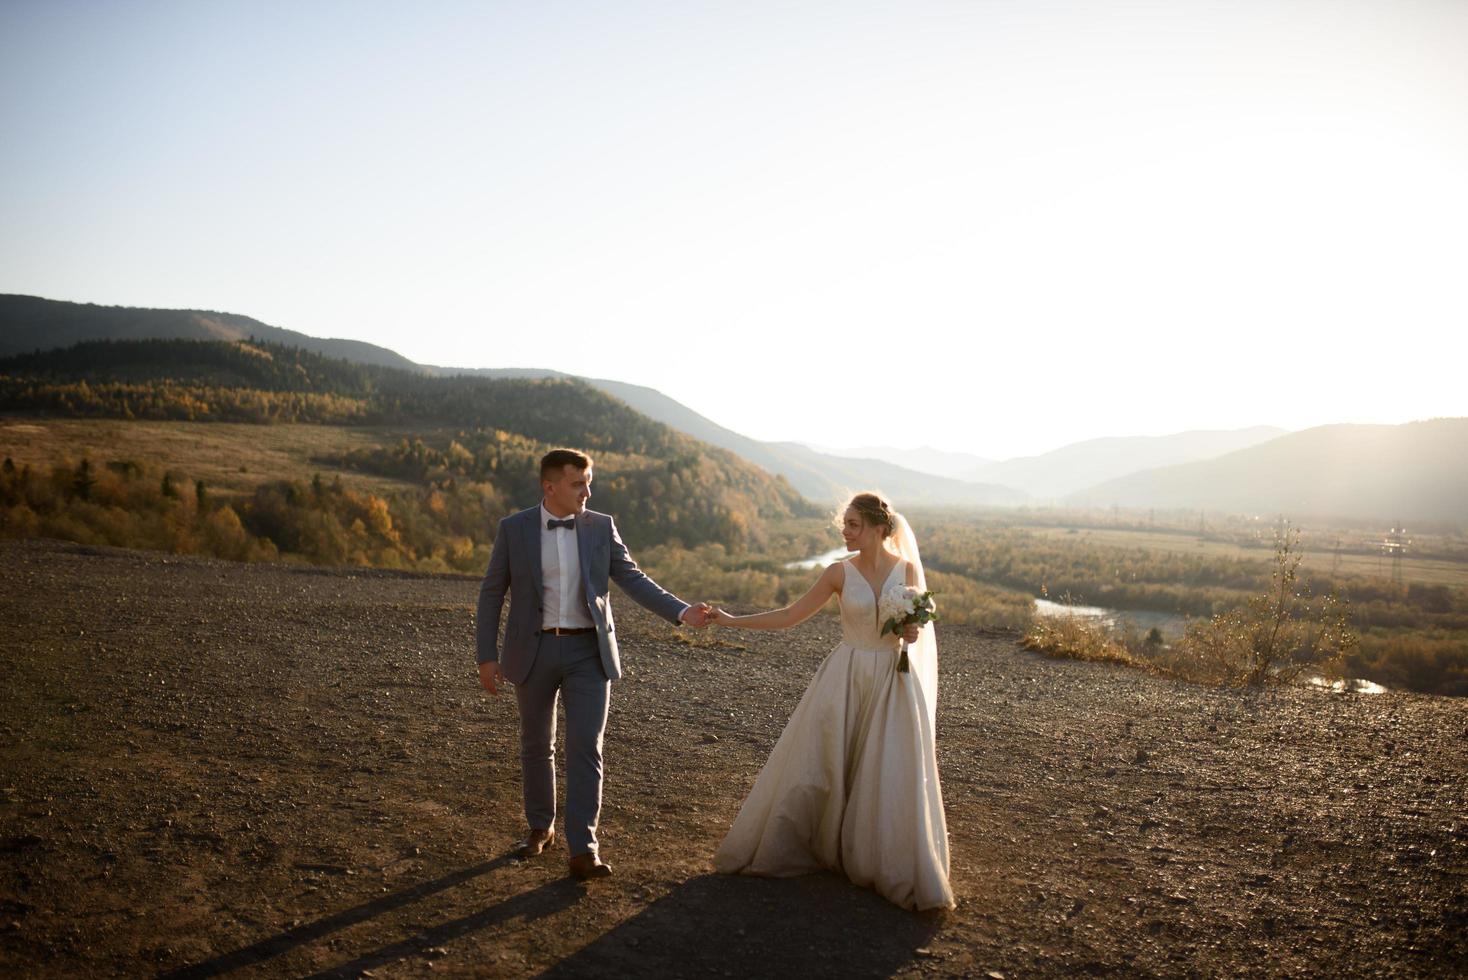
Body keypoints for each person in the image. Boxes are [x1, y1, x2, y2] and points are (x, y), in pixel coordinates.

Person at [476, 448, 714, 880]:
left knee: (587, 747)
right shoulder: (514, 529)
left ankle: (583, 847)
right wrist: (486, 656)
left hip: (590, 653)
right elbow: (492, 592)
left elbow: (633, 578)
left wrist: (682, 612)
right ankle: (540, 828)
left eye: (589, 482)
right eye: (578, 483)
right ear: (550, 487)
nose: (588, 491)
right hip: (532, 651)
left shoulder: (602, 527)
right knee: (536, 744)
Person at [709, 491, 954, 910]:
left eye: (854, 524)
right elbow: (789, 616)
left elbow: (914, 630)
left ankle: (876, 855)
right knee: (824, 763)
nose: (845, 531)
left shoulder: (908, 570)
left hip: (893, 680)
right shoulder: (837, 573)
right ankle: (822, 845)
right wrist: (732, 620)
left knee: (888, 768)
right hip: (847, 676)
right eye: (844, 524)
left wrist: (911, 633)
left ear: (880, 528)